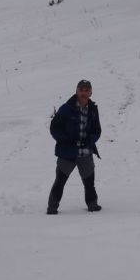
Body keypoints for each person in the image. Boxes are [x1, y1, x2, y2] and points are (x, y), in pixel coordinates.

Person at [47, 79, 102, 214]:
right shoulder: (66, 108)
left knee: (89, 183)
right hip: (67, 153)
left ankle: (92, 204)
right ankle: (52, 208)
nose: (84, 93)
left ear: (91, 92)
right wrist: (66, 141)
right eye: (81, 90)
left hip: (85, 153)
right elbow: (54, 128)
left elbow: (97, 130)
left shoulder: (93, 109)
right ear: (76, 91)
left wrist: (90, 140)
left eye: (86, 90)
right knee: (60, 181)